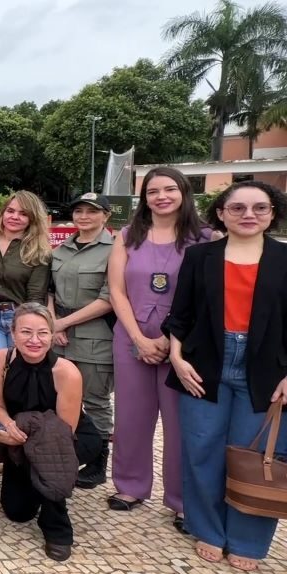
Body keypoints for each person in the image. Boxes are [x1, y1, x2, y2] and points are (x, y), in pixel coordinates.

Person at [164, 181, 287, 571]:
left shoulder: (284, 259)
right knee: (202, 452)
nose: (248, 215)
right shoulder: (201, 256)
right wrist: (177, 359)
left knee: (256, 455)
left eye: (259, 208)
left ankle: (248, 540)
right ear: (221, 213)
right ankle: (209, 530)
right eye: (237, 208)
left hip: (268, 368)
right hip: (205, 364)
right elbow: (180, 315)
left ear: (271, 214)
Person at [107, 167, 213, 530]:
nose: (161, 196)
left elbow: (205, 295)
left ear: (184, 192)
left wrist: (171, 341)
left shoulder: (204, 238)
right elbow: (116, 291)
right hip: (132, 335)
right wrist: (138, 338)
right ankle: (130, 486)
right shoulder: (127, 235)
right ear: (144, 197)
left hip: (183, 342)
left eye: (170, 189)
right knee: (131, 416)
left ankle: (183, 500)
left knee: (181, 423)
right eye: (153, 191)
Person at [0, 303, 104, 562]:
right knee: (17, 512)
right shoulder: (1, 359)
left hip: (68, 438)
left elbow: (62, 434)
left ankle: (57, 528)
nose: (35, 340)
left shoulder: (66, 372)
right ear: (13, 333)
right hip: (22, 433)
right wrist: (9, 427)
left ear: (52, 335)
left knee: (48, 463)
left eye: (43, 333)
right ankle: (32, 482)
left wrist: (21, 441)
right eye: (26, 332)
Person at [49, 192, 115, 489]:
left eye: (92, 211)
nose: (84, 216)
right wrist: (53, 324)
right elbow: (48, 290)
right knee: (56, 396)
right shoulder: (61, 249)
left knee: (95, 400)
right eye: (79, 211)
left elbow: (109, 298)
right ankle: (63, 454)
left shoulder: (115, 250)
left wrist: (63, 322)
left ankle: (98, 462)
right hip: (58, 335)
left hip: (94, 335)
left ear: (106, 216)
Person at [0, 191, 52, 412]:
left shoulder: (38, 251)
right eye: (10, 210)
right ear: (2, 213)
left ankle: (21, 433)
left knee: (20, 377)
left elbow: (36, 297)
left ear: (32, 219)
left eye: (23, 213)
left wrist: (27, 328)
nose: (15, 217)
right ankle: (1, 436)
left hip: (22, 318)